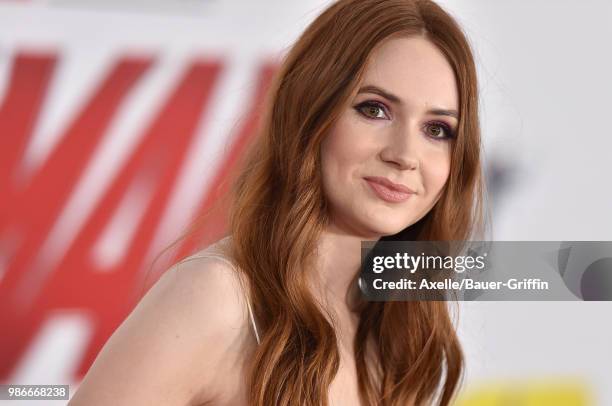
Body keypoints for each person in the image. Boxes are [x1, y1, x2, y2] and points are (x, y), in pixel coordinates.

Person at [69, 0, 486, 405]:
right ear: (307, 111)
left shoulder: (397, 328)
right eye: (374, 109)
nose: (405, 155)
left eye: (437, 129)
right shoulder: (217, 298)